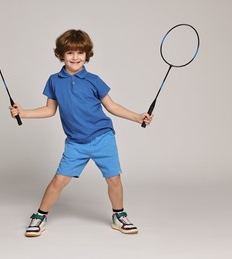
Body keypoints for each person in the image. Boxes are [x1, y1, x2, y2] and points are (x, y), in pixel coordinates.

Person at [9, 29, 153, 237]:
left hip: (103, 137)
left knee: (114, 180)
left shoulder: (94, 80)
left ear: (87, 54)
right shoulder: (54, 80)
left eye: (79, 53)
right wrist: (23, 112)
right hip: (75, 143)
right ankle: (40, 216)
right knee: (58, 181)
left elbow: (112, 107)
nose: (75, 57)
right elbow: (49, 110)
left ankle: (118, 214)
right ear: (61, 55)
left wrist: (138, 117)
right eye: (69, 53)